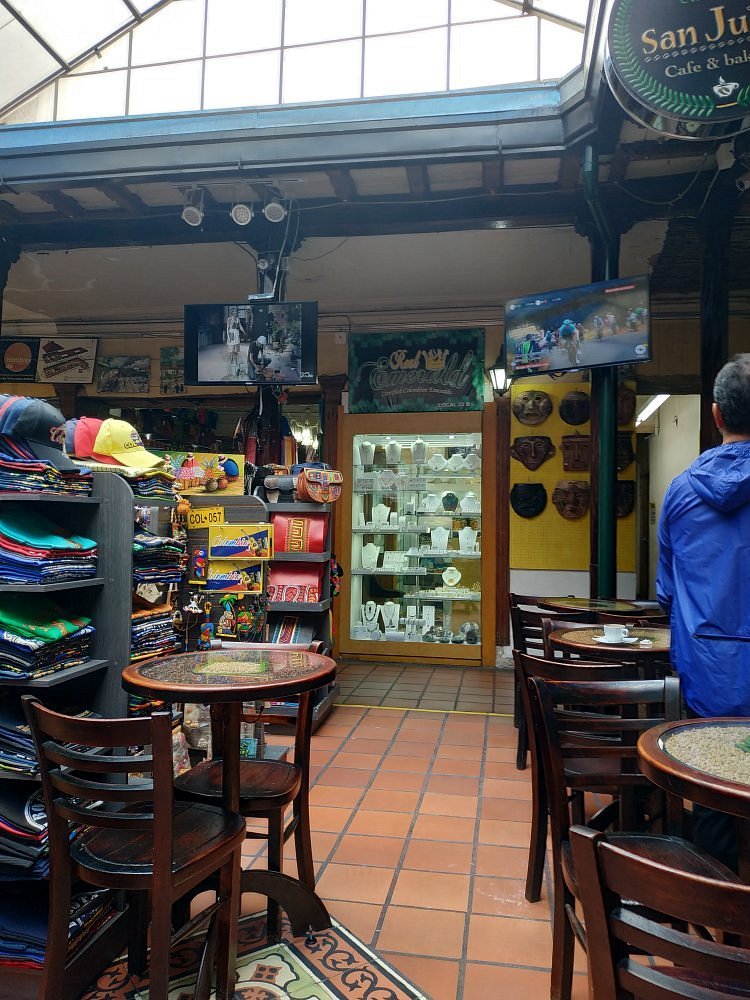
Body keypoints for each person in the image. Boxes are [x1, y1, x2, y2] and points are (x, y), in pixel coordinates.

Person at [657, 353, 750, 870]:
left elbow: (666, 591)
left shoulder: (680, 492)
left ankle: (712, 927)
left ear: (716, 414)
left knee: (715, 799)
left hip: (706, 672)